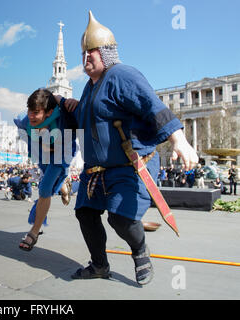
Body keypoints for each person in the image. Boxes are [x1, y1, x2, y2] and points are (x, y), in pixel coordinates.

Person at [59, 11, 198, 285]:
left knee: (120, 219)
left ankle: (140, 251)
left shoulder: (123, 75)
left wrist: (179, 140)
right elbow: (85, 124)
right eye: (84, 53)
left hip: (130, 165)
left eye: (93, 52)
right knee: (85, 213)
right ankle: (99, 265)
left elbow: (154, 107)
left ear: (107, 53)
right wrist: (63, 103)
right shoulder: (88, 88)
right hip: (96, 171)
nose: (87, 58)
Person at [13, 88, 78, 251]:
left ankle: (33, 232)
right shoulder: (24, 121)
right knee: (47, 186)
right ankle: (63, 184)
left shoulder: (65, 118)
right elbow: (28, 136)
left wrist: (66, 101)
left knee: (44, 189)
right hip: (41, 153)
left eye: (35, 112)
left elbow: (88, 114)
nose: (31, 116)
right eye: (29, 111)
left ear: (49, 112)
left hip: (61, 153)